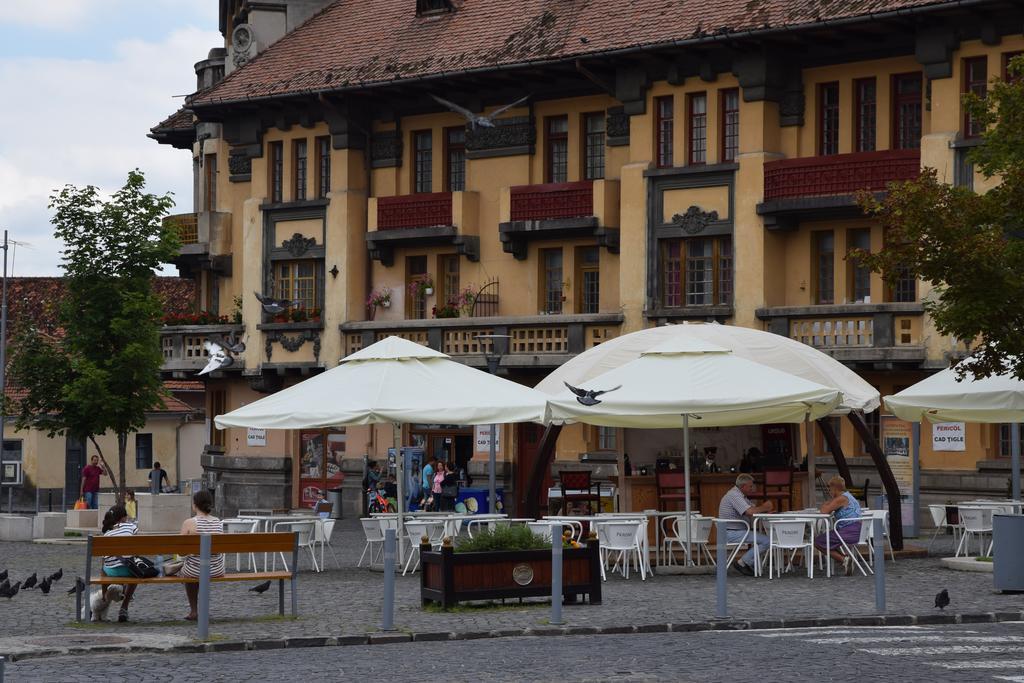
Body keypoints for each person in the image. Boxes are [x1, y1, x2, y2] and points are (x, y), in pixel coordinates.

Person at [179, 490, 225, 621]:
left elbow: (180, 551)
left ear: (194, 505)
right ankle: (202, 609)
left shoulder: (189, 523)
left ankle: (194, 610)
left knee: (189, 571)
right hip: (216, 569)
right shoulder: (217, 522)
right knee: (198, 568)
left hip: (195, 569)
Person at [718, 473, 774, 576]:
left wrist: (764, 511)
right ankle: (742, 563)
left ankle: (747, 563)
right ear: (743, 486)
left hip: (733, 531)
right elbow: (750, 512)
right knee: (768, 541)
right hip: (731, 533)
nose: (752, 489)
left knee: (765, 540)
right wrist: (765, 507)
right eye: (750, 486)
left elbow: (753, 509)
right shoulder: (734, 495)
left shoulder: (739, 495)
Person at [815, 475, 864, 576]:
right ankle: (846, 559)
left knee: (818, 542)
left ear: (834, 488)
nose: (829, 490)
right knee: (827, 539)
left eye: (830, 488)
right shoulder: (848, 496)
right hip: (858, 530)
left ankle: (843, 559)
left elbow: (824, 512)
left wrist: (825, 503)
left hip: (849, 531)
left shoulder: (840, 499)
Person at [100, 504, 138, 622]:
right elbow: (136, 550)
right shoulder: (132, 527)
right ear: (124, 517)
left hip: (110, 571)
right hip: (128, 570)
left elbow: (103, 558)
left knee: (104, 568)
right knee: (135, 572)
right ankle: (124, 607)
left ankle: (104, 599)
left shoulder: (107, 533)